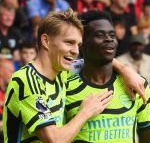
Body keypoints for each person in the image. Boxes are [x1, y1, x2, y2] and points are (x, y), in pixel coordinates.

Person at [3, 9, 146, 143]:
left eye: (79, 44)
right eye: (69, 43)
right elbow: (55, 139)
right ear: (46, 41)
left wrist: (126, 71)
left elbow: (99, 59)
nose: (75, 51)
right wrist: (85, 112)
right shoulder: (26, 80)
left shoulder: (62, 72)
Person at [65, 10, 150, 143]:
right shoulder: (64, 86)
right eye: (100, 35)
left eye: (112, 35)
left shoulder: (137, 84)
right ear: (82, 43)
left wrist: (124, 69)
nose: (109, 39)